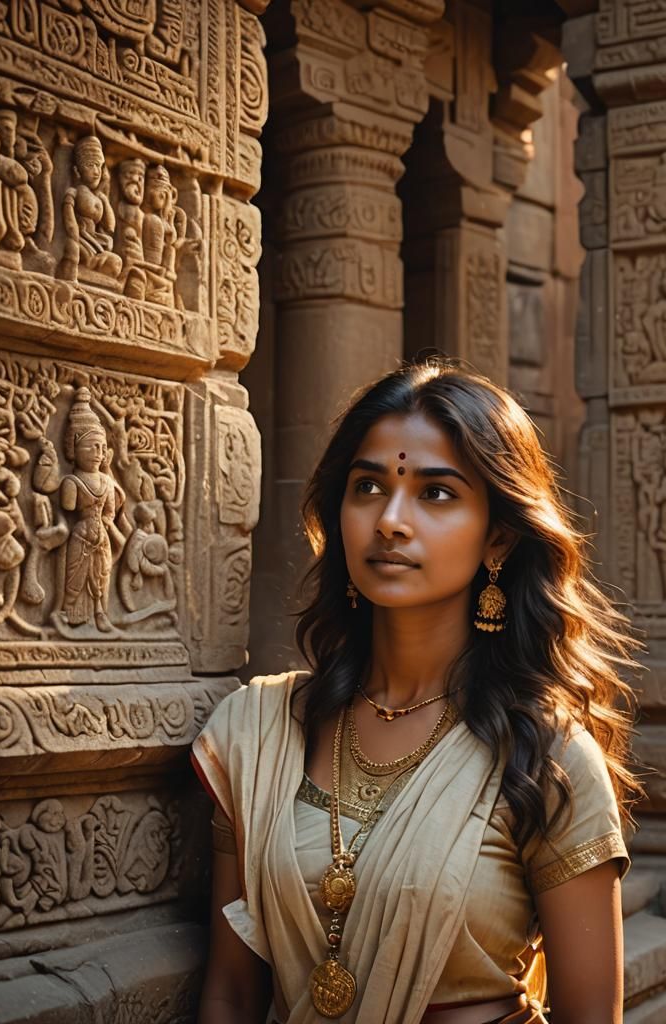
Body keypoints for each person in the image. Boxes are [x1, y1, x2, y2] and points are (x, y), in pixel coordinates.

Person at [192, 361, 638, 1024]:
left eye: (435, 494)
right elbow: (230, 992)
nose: (391, 521)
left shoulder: (543, 756)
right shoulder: (256, 734)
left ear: (498, 537)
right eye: (367, 486)